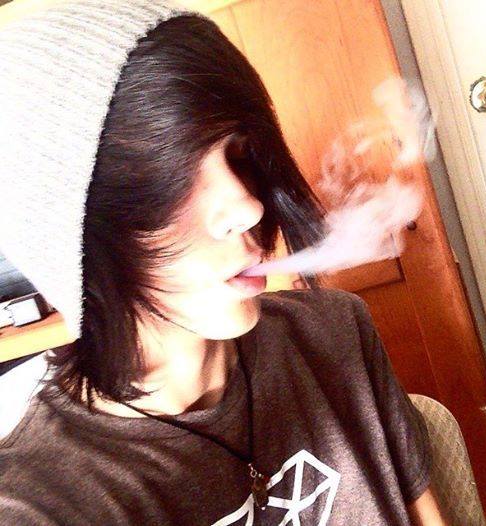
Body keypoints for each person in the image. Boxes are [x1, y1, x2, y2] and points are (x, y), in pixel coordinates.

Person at [0, 1, 447, 524]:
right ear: (68, 231)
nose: (248, 206)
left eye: (239, 154)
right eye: (169, 179)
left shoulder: (335, 334)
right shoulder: (41, 506)